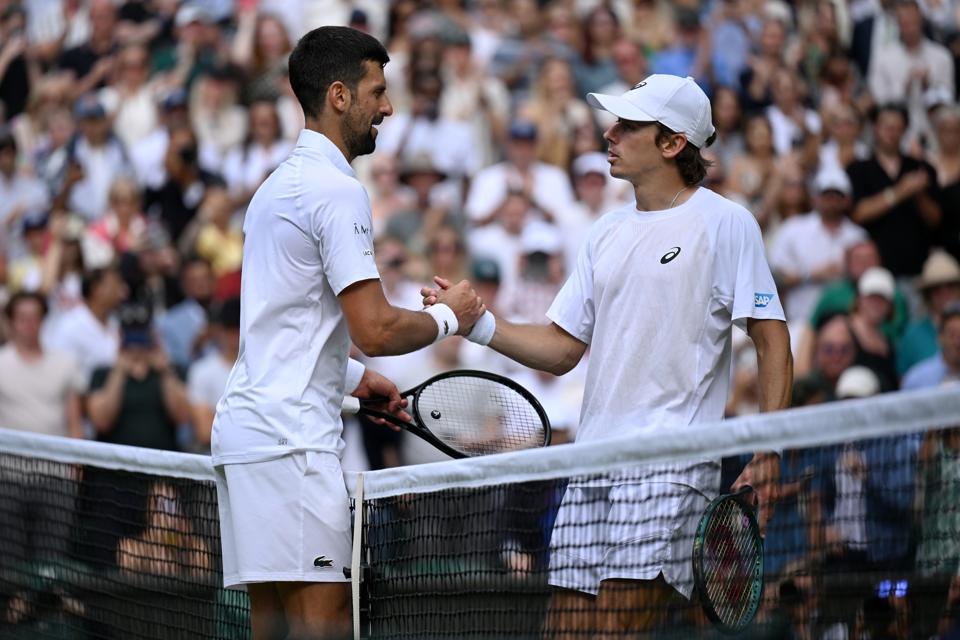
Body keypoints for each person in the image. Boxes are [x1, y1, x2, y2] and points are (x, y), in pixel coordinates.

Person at [424, 74, 793, 634]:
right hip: (592, 465)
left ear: (672, 144)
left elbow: (772, 339)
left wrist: (768, 451)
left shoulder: (727, 224)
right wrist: (481, 325)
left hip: (669, 468)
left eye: (628, 125)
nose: (610, 132)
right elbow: (562, 347)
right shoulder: (604, 231)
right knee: (563, 633)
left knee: (613, 633)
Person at [210, 27, 484, 640]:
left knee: (274, 627)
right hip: (292, 445)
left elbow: (286, 326)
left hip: (252, 436)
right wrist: (452, 316)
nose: (387, 108)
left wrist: (359, 380)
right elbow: (377, 326)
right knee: (325, 626)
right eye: (377, 92)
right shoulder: (335, 190)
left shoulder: (274, 188)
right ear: (339, 96)